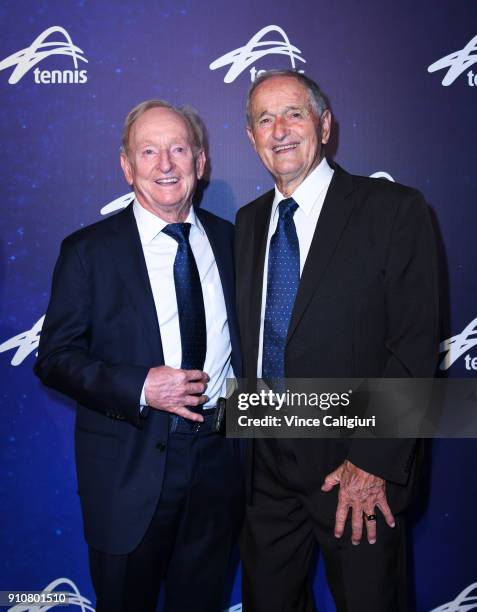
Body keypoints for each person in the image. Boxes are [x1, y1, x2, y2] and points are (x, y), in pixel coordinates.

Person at [235, 70, 439, 611]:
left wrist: (372, 461)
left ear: (324, 125)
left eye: (294, 114)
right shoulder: (248, 224)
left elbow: (415, 346)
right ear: (251, 138)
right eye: (264, 119)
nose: (279, 130)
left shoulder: (394, 210)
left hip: (355, 468)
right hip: (266, 467)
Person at [34, 99, 243, 612]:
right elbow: (55, 357)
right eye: (148, 151)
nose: (165, 165)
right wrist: (141, 386)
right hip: (128, 471)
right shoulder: (87, 251)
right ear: (127, 167)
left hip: (220, 463)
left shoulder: (234, 241)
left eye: (178, 149)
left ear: (201, 161)